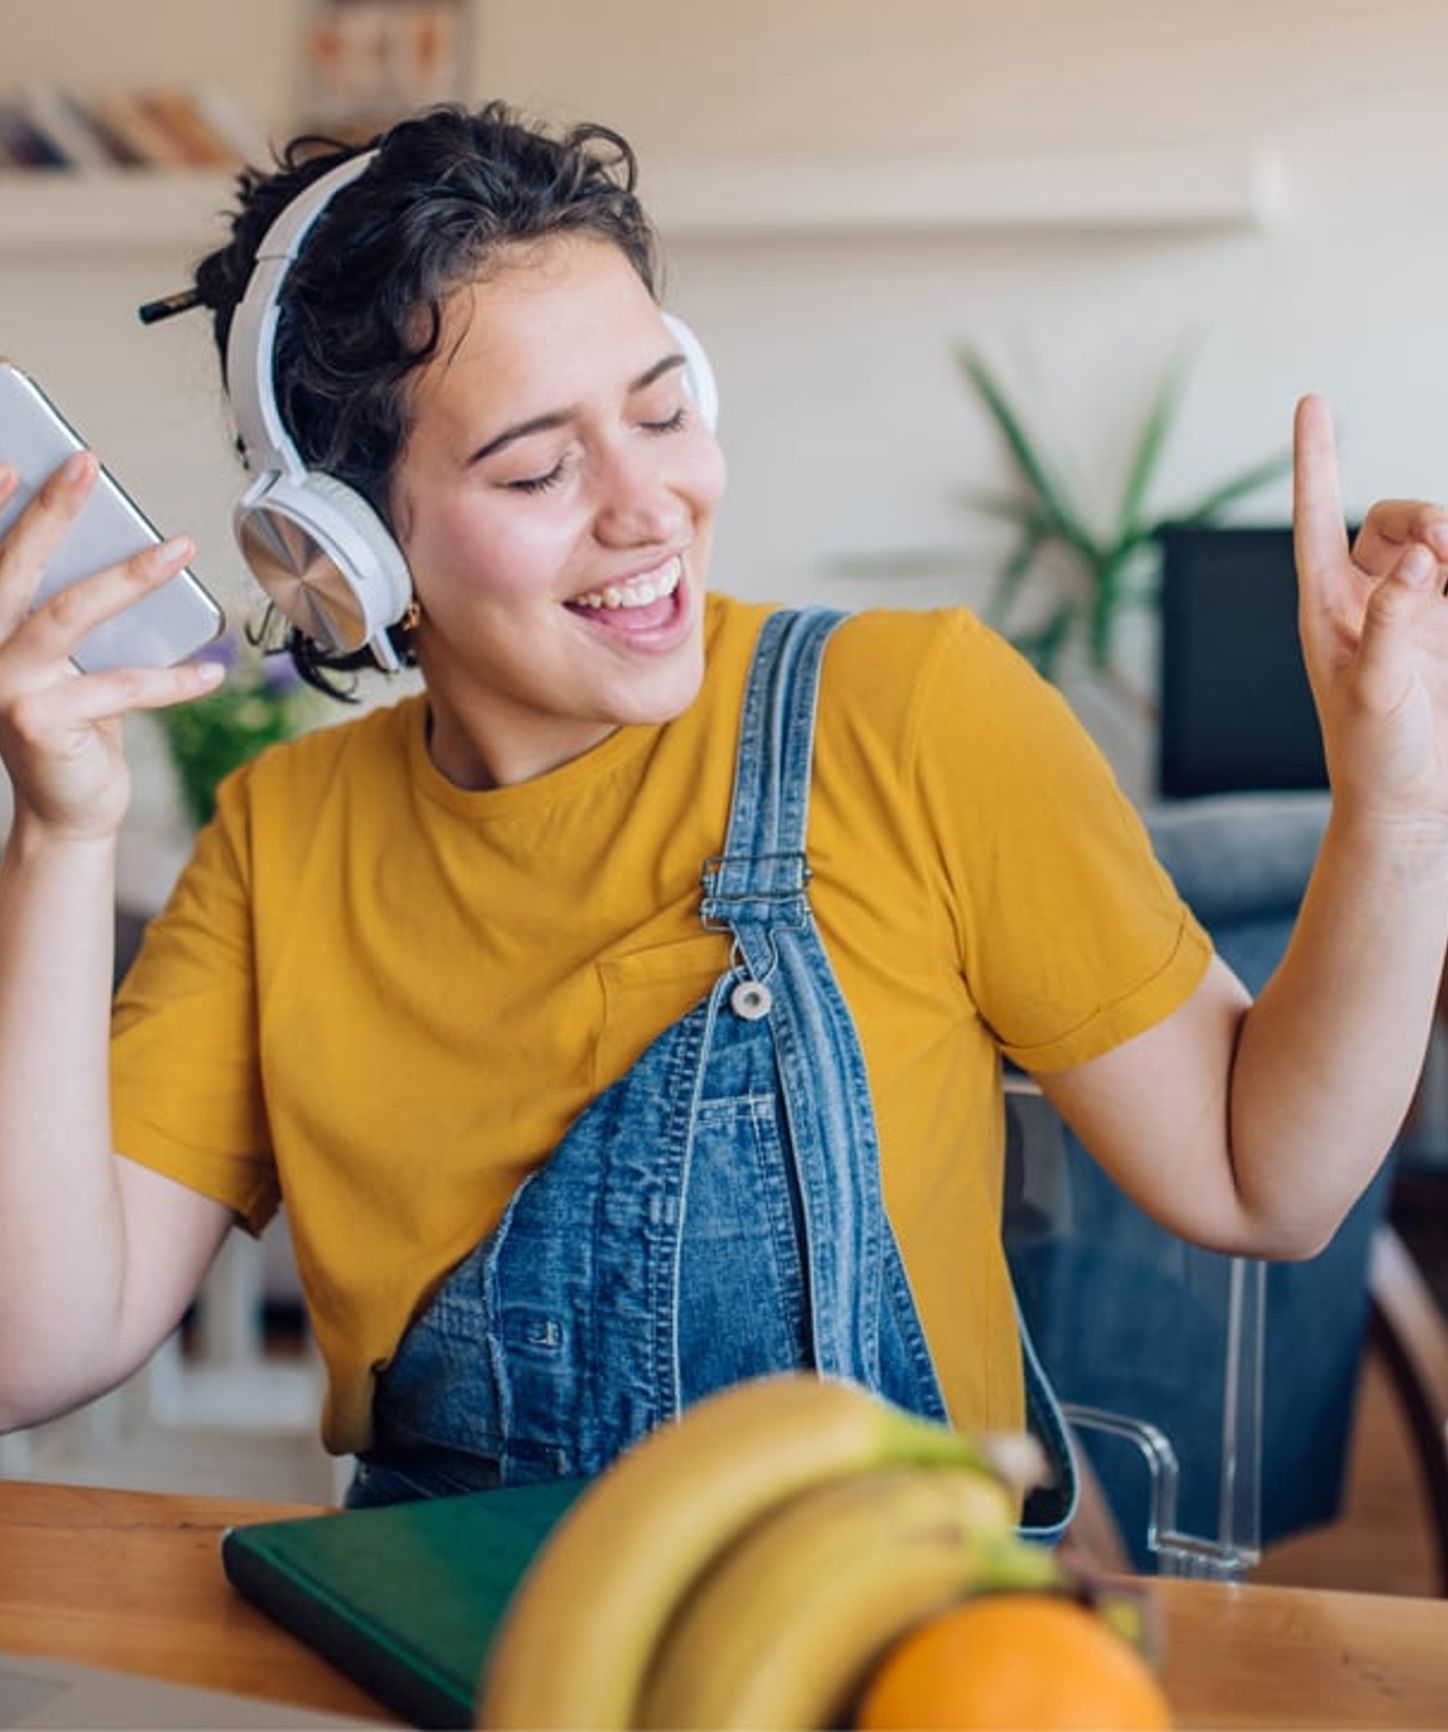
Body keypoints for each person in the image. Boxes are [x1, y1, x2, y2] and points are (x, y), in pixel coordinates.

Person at [0, 102, 1445, 1516]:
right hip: (447, 1639)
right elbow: (35, 1352)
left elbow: (1264, 1186)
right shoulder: (280, 840)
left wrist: (1400, 796)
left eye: (662, 410)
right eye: (538, 466)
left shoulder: (912, 713)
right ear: (347, 552)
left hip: (890, 1628)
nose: (652, 506)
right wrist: (61, 835)